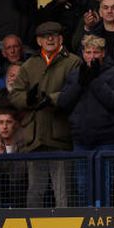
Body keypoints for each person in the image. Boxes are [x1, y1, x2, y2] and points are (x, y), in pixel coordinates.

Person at [10, 21, 81, 207]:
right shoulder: (29, 64)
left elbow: (74, 91)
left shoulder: (73, 62)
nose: (50, 39)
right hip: (35, 138)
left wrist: (51, 99)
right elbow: (15, 94)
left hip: (60, 135)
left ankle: (65, 224)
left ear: (61, 39)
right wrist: (28, 99)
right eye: (45, 36)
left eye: (54, 35)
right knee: (35, 190)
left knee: (63, 192)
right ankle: (33, 224)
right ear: (38, 41)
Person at [58, 34, 114, 205]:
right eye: (88, 52)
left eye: (96, 52)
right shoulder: (76, 74)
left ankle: (102, 219)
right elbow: (63, 102)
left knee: (103, 186)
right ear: (83, 53)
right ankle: (87, 219)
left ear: (103, 53)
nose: (91, 56)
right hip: (81, 139)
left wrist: (95, 79)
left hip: (107, 140)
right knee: (83, 186)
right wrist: (80, 82)